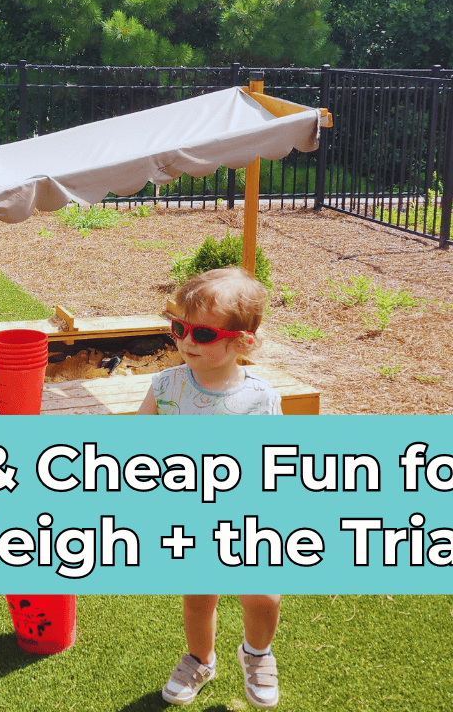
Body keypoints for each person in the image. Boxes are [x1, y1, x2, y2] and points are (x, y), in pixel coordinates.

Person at [138, 267, 282, 708]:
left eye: (201, 333)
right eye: (178, 327)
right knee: (198, 596)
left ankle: (257, 653)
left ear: (242, 343)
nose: (184, 342)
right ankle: (200, 657)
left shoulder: (261, 397)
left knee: (262, 596)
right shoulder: (166, 386)